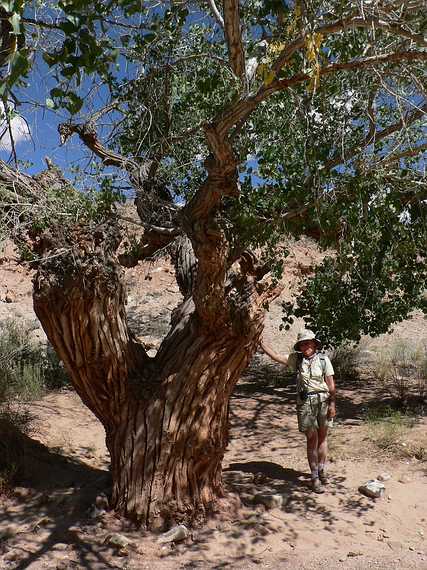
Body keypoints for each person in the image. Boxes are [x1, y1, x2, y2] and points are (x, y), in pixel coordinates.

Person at [260, 329, 336, 493]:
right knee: (312, 439)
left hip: (323, 401)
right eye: (302, 344)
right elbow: (277, 357)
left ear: (315, 344)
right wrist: (261, 344)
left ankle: (322, 470)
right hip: (305, 403)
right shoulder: (297, 359)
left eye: (308, 343)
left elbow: (331, 385)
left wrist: (332, 404)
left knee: (323, 437)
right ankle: (314, 477)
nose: (305, 346)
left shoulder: (324, 360)